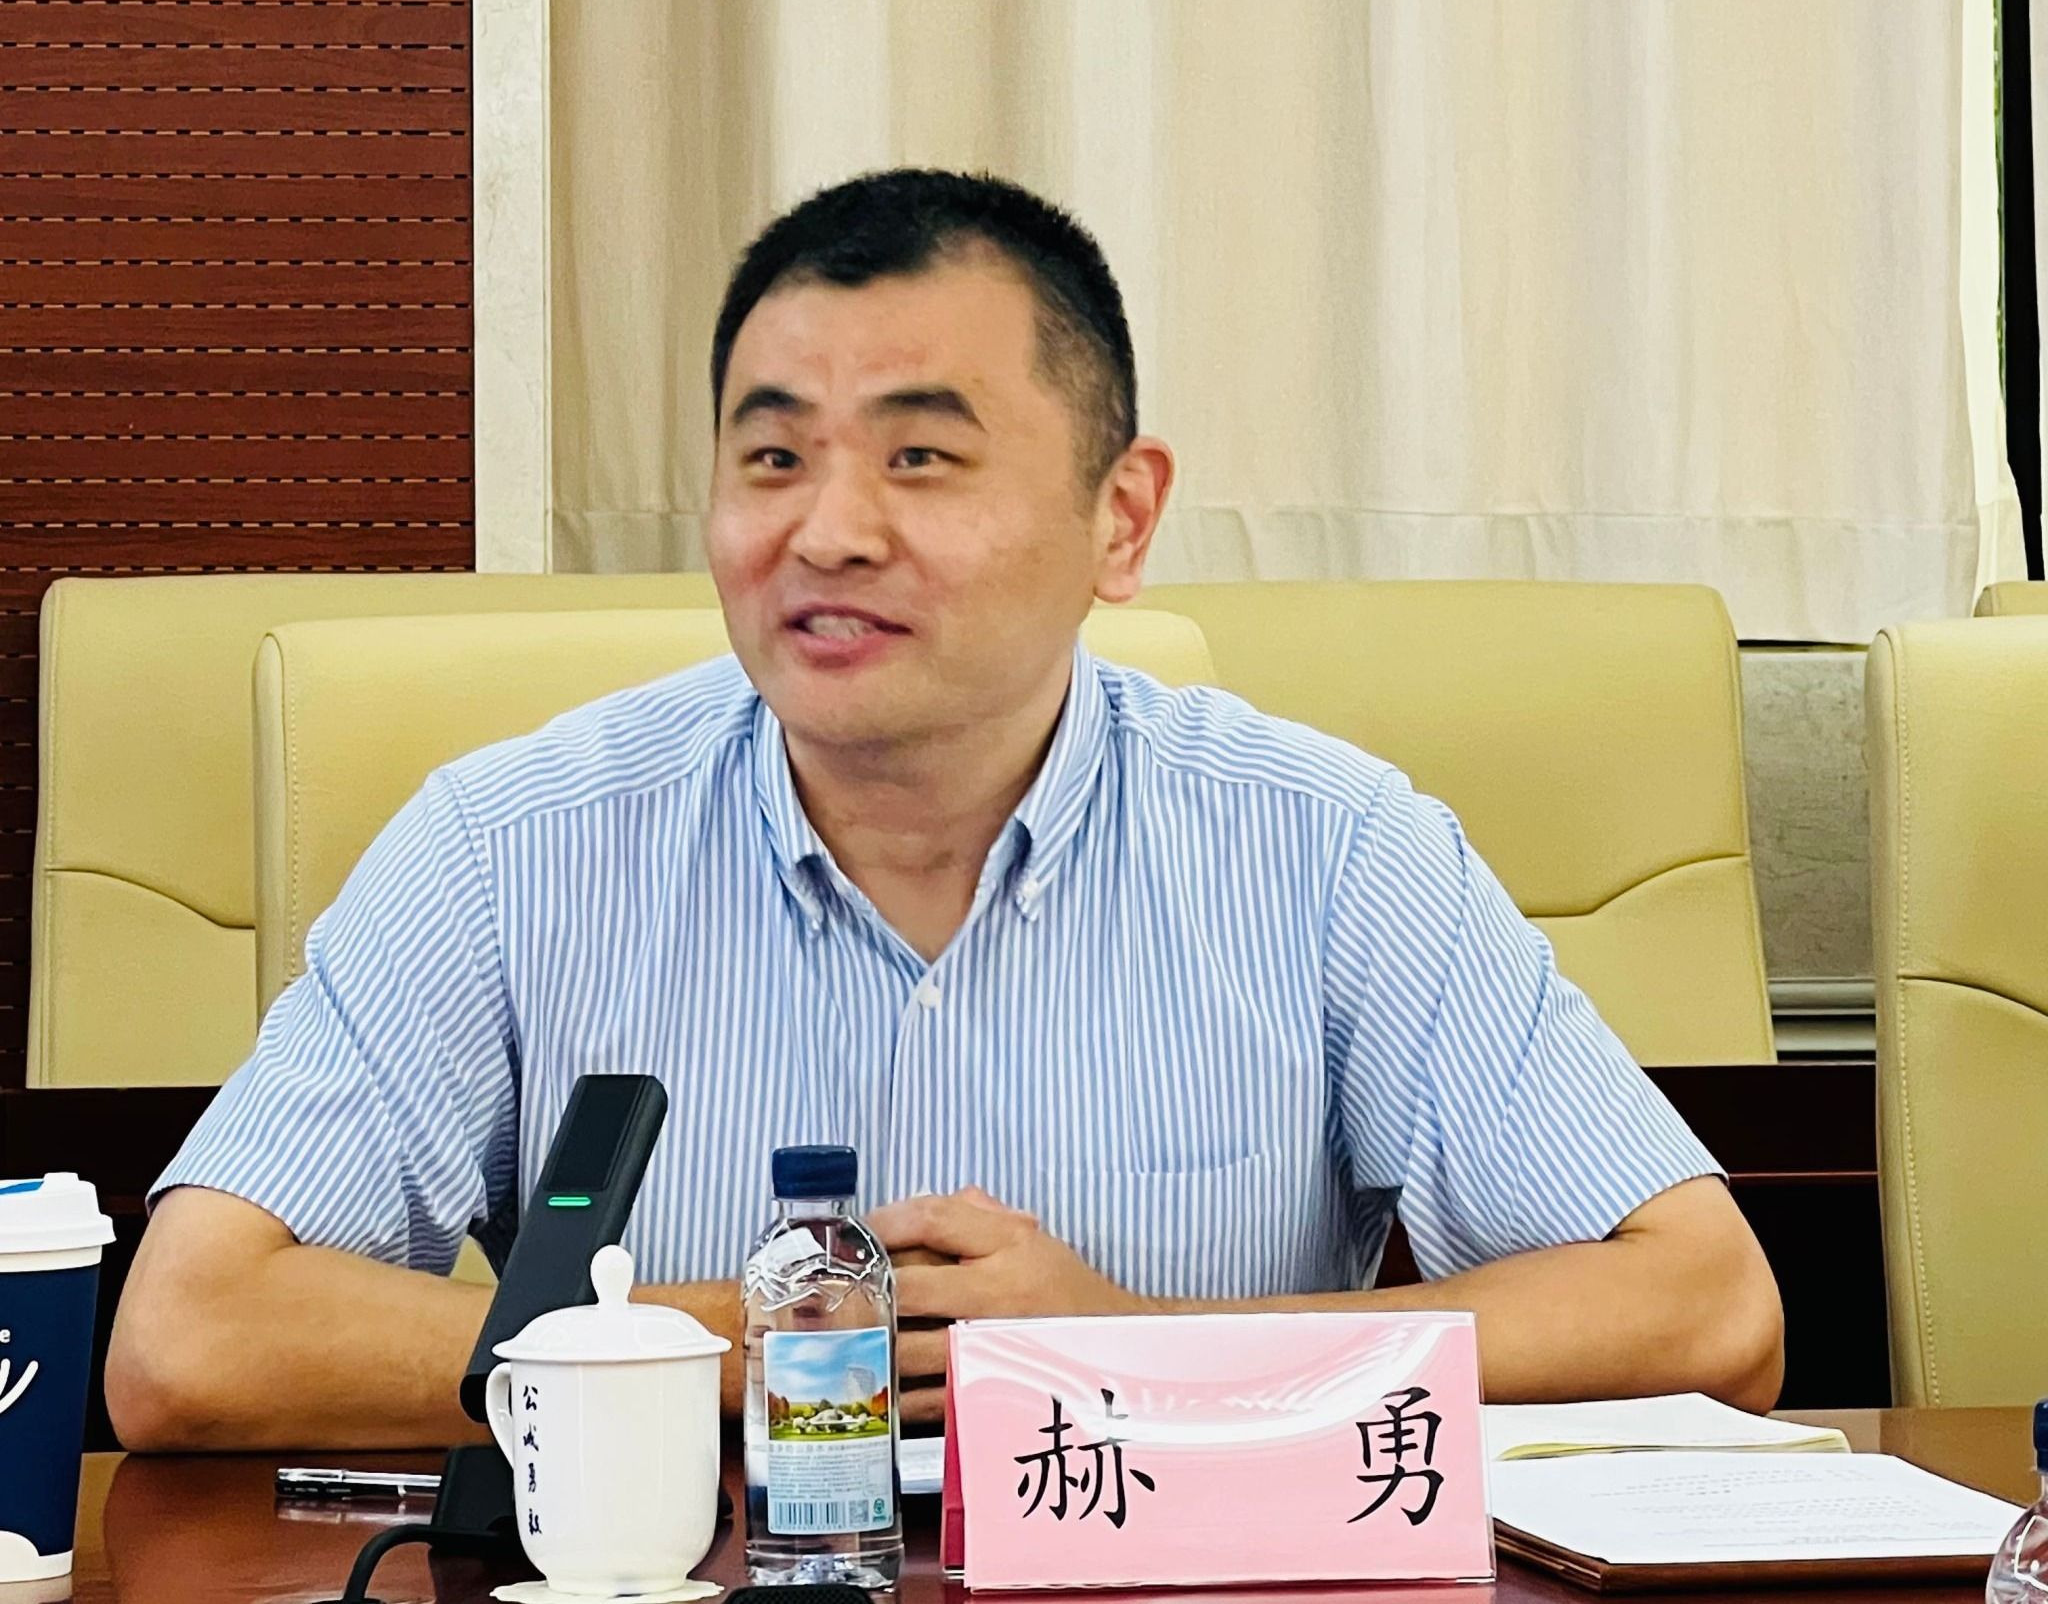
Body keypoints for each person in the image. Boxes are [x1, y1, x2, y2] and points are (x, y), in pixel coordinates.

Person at [106, 169, 1782, 1452]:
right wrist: (754, 1341)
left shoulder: (1328, 848)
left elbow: (1706, 1306)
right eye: (773, 458)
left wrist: (1142, 1350)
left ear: (1121, 518)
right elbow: (189, 1338)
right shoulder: (511, 846)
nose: (827, 531)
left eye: (919, 458)